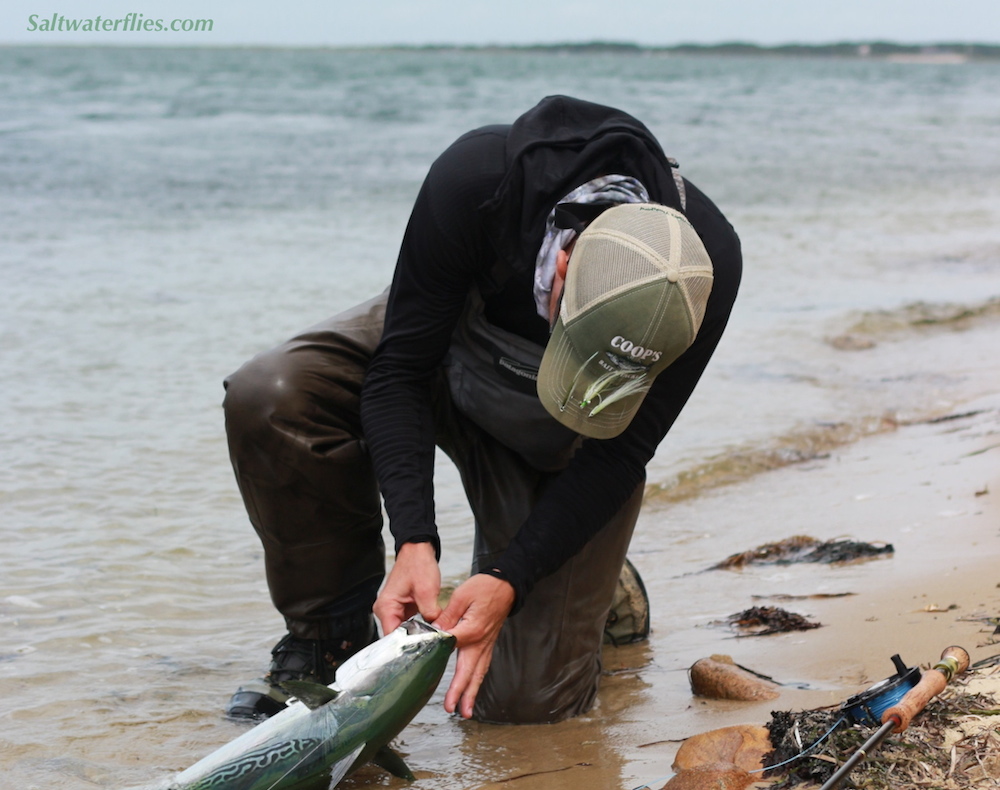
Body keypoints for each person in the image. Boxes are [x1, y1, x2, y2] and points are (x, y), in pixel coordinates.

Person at [223, 94, 741, 725]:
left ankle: (597, 584)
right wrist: (413, 537)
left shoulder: (706, 269)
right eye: (565, 328)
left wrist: (512, 574)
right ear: (567, 257)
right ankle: (328, 638)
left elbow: (621, 452)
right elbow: (400, 370)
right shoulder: (479, 179)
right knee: (273, 392)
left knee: (523, 708)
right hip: (443, 351)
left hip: (561, 435)